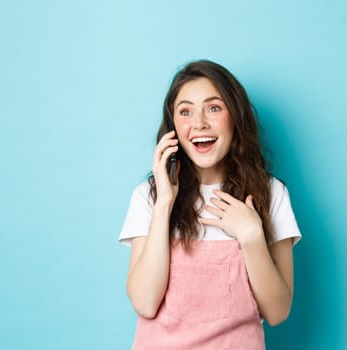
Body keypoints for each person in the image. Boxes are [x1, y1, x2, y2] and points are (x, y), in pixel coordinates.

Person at [119, 60, 301, 349]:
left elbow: (277, 312)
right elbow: (144, 302)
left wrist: (252, 237)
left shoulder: (271, 193)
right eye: (186, 111)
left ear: (235, 117)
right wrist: (165, 203)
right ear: (173, 127)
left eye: (214, 108)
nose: (199, 123)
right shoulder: (149, 196)